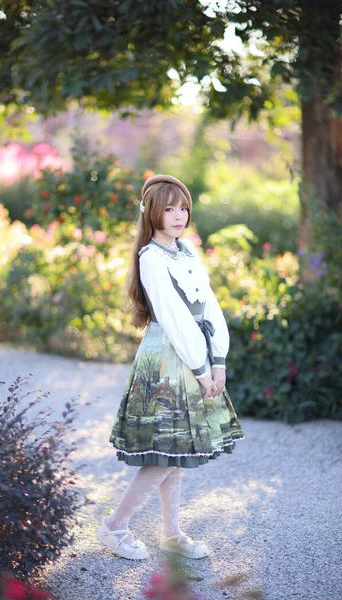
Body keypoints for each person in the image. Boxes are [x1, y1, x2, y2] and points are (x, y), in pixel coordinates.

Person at [96, 174, 245, 561]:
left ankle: (171, 534)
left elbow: (209, 306)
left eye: (184, 208)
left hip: (196, 355)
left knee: (175, 451)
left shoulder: (186, 251)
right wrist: (200, 368)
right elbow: (175, 318)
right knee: (165, 449)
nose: (179, 216)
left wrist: (219, 361)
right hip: (168, 358)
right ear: (152, 213)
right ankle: (115, 526)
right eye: (169, 208)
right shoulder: (151, 257)